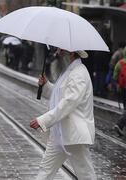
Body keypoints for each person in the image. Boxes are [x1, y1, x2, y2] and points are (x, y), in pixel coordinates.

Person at [30, 49, 96, 180]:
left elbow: (68, 103)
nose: (57, 53)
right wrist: (46, 85)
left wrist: (43, 120)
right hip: (59, 133)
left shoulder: (79, 74)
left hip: (74, 134)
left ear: (71, 53)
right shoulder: (68, 71)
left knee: (85, 174)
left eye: (61, 50)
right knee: (45, 170)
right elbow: (58, 97)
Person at [113, 47, 126, 136]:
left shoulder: (120, 63)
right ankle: (120, 124)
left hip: (123, 89)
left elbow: (115, 76)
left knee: (125, 107)